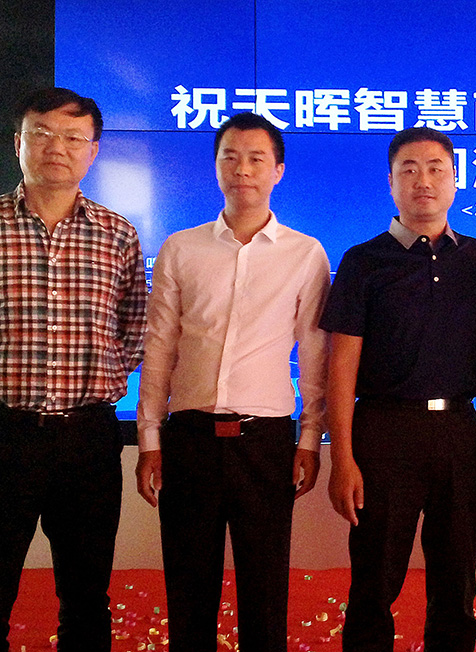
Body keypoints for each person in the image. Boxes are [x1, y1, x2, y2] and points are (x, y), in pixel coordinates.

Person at [0, 87, 147, 652]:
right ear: (18, 143)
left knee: (86, 595)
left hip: (88, 438)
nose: (58, 147)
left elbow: (134, 326)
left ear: (93, 151)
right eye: (42, 133)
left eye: (74, 137)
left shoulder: (118, 234)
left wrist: (98, 382)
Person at [135, 112, 329, 651]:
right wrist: (149, 438)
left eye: (256, 159)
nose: (242, 169)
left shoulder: (306, 253)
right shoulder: (181, 248)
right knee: (188, 589)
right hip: (189, 440)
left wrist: (310, 438)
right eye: (230, 157)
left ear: (278, 171)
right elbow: (160, 347)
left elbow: (315, 353)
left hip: (264, 443)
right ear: (216, 166)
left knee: (265, 592)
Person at [321, 126, 476, 652]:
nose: (424, 181)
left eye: (437, 169)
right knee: (374, 580)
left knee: (457, 582)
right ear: (391, 182)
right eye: (409, 170)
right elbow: (341, 367)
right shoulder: (363, 261)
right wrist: (342, 457)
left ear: (456, 179)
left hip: (459, 431)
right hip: (384, 433)